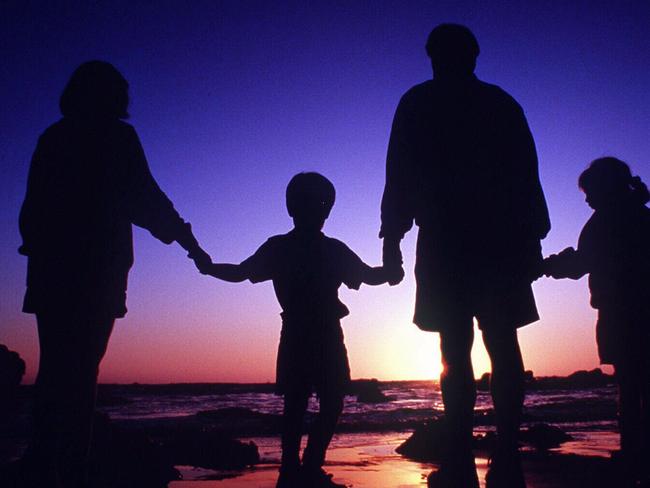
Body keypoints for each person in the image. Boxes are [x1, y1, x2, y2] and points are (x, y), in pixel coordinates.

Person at [18, 61, 210, 488]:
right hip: (96, 269)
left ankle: (46, 461)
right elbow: (146, 198)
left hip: (53, 269)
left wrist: (35, 244)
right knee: (83, 370)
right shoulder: (116, 136)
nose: (126, 99)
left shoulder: (53, 137)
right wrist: (188, 241)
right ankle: (68, 467)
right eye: (120, 92)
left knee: (56, 368)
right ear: (111, 96)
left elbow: (31, 210)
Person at [380, 24, 550, 488]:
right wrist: (534, 232)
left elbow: (399, 173)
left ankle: (470, 440)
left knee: (464, 345)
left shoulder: (422, 102)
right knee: (494, 342)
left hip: (460, 241)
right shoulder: (497, 103)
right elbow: (526, 172)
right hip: (483, 240)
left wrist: (392, 237)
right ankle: (500, 441)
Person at [196, 172, 396, 488]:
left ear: (326, 209)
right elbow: (241, 272)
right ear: (293, 207)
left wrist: (388, 272)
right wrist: (209, 269)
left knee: (322, 402)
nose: (315, 210)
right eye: (309, 203)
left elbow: (367, 275)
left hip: (319, 333)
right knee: (303, 402)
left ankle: (304, 466)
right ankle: (295, 466)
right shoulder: (289, 248)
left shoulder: (321, 248)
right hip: (307, 333)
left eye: (319, 204)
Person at [543, 157, 650, 488]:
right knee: (639, 381)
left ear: (605, 188)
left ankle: (634, 452)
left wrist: (548, 265)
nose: (587, 199)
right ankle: (638, 451)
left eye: (589, 192)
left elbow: (581, 264)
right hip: (636, 308)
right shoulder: (641, 216)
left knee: (630, 384)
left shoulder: (604, 222)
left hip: (621, 311)